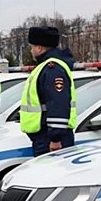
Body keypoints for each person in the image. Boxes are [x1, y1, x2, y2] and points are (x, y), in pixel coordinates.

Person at [20, 26, 76, 157]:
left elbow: (57, 103)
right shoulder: (45, 67)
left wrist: (55, 138)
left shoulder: (52, 69)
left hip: (50, 139)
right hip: (46, 135)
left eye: (32, 47)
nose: (31, 50)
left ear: (39, 48)